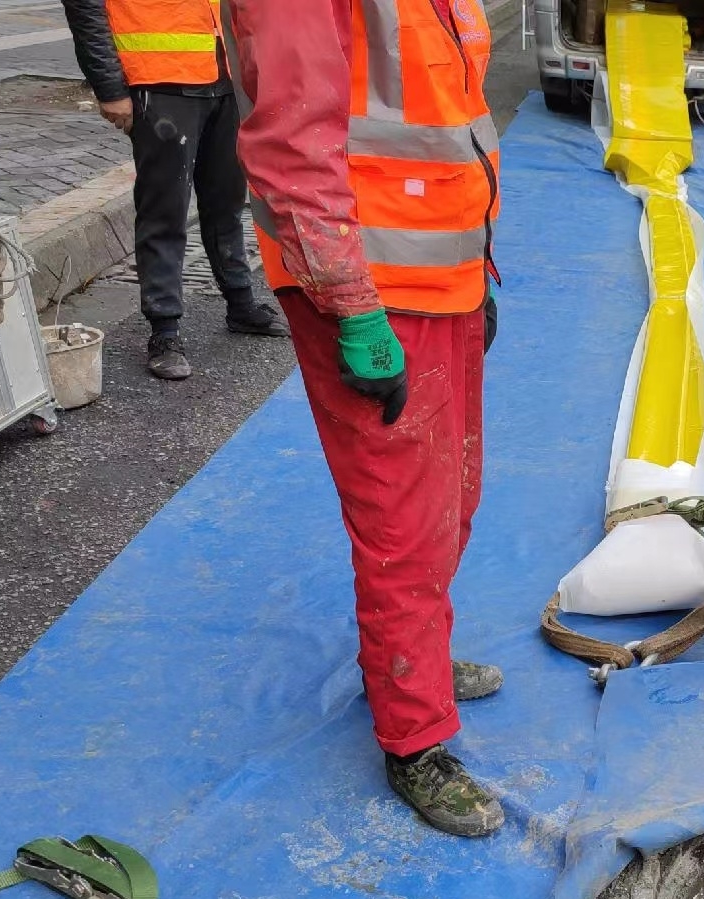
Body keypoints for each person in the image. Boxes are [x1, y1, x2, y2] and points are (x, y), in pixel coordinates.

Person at [218, 0, 506, 838]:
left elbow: (448, 119)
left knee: (453, 498)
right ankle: (414, 734)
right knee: (402, 522)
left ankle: (413, 661)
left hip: (438, 270)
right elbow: (293, 144)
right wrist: (350, 304)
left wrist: (477, 267)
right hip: (373, 288)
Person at [59, 0, 288, 380]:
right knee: (165, 211)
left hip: (226, 73)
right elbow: (86, 9)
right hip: (162, 80)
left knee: (227, 202)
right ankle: (164, 330)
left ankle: (240, 301)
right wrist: (109, 87)